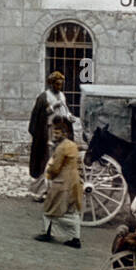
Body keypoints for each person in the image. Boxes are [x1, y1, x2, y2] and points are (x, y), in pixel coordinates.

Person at [33, 118, 83, 249]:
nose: (55, 136)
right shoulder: (72, 145)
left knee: (50, 208)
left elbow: (55, 167)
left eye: (57, 133)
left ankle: (48, 233)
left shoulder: (61, 148)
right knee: (72, 211)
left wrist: (49, 175)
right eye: (54, 133)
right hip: (74, 181)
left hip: (63, 182)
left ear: (64, 134)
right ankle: (75, 237)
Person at [27, 71, 70, 197]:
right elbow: (39, 115)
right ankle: (40, 191)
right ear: (51, 84)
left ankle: (55, 188)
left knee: (59, 159)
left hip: (60, 131)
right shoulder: (43, 97)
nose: (59, 87)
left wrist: (69, 116)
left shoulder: (62, 95)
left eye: (61, 84)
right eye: (57, 84)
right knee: (47, 160)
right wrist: (52, 107)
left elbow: (65, 110)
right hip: (47, 132)